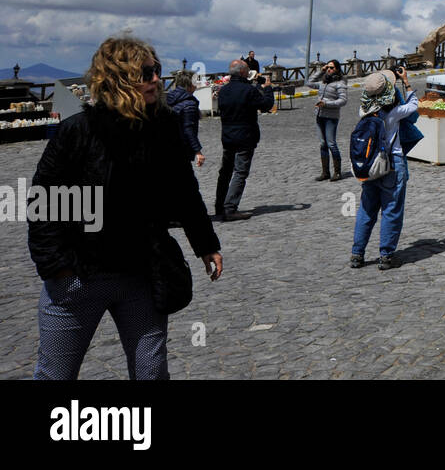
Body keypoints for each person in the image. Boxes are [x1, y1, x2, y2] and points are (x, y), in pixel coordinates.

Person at [28, 36, 222, 379]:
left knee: (151, 372)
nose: (154, 79)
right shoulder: (78, 129)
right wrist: (56, 268)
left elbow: (184, 190)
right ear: (116, 79)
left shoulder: (164, 125)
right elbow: (45, 202)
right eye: (144, 72)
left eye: (156, 70)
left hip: (143, 272)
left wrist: (206, 244)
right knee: (55, 375)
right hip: (79, 275)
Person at [349, 68, 418, 270]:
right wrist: (406, 83)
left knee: (366, 209)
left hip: (370, 166)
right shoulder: (394, 113)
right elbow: (414, 105)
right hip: (391, 164)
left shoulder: (363, 110)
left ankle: (357, 254)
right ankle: (386, 255)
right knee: (391, 210)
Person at [214, 59, 275, 220]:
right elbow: (266, 105)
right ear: (242, 72)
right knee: (240, 172)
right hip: (245, 137)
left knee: (225, 172)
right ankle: (230, 208)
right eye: (247, 70)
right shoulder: (248, 90)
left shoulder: (224, 91)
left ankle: (219, 205)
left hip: (227, 137)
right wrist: (268, 89)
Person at [307, 59, 348, 181]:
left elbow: (343, 101)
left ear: (337, 69)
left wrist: (326, 103)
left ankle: (338, 172)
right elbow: (308, 83)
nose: (329, 69)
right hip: (320, 116)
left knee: (331, 143)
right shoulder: (323, 82)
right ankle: (325, 172)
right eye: (328, 67)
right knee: (322, 144)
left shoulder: (340, 83)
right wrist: (321, 71)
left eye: (331, 68)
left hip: (331, 117)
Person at [165, 70, 205, 168]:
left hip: (167, 145)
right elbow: (188, 129)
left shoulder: (169, 98)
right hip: (182, 148)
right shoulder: (189, 104)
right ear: (189, 84)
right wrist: (198, 151)